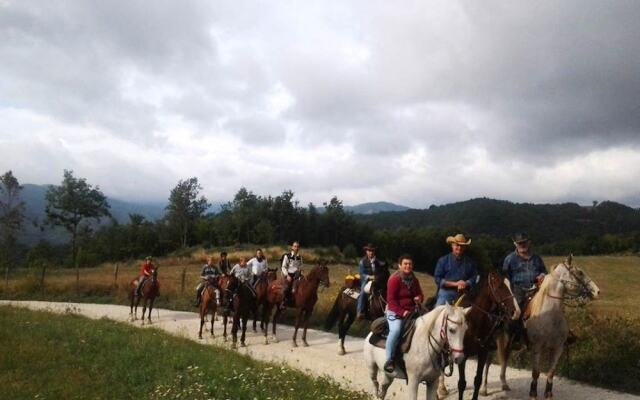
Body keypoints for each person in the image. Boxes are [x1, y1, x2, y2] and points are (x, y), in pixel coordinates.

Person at [384, 254, 424, 373]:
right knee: (396, 330)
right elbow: (391, 301)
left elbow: (420, 294)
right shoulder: (394, 280)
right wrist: (403, 312)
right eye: (405, 264)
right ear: (400, 265)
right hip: (395, 311)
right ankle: (389, 360)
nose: (408, 266)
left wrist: (419, 298)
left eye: (410, 264)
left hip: (412, 311)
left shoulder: (414, 279)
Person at [502, 233, 546, 309]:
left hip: (536, 289)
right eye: (520, 243)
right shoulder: (509, 259)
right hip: (518, 292)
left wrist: (542, 275)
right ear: (515, 244)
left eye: (524, 242)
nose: (522, 245)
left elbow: (544, 272)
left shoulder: (536, 258)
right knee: (516, 313)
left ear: (529, 243)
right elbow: (505, 277)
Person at [433, 234, 479, 306]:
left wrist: (466, 283)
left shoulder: (470, 262)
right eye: (457, 245)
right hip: (446, 292)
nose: (459, 247)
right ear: (452, 245)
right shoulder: (443, 260)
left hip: (464, 293)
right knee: (439, 309)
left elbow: (474, 276)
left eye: (462, 246)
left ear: (465, 247)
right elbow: (437, 279)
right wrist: (456, 284)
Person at [357, 243, 386, 320]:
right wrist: (369, 277)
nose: (371, 252)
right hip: (366, 280)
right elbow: (361, 273)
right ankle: (360, 311)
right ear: (366, 251)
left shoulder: (378, 261)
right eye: (369, 251)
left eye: (372, 251)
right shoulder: (362, 261)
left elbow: (383, 270)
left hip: (378, 279)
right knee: (363, 291)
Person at [281, 241, 303, 308]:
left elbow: (301, 265)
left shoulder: (300, 257)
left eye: (298, 247)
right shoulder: (287, 256)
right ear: (292, 247)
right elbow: (283, 267)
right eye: (295, 246)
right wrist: (287, 275)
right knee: (286, 288)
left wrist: (300, 270)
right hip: (289, 274)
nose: (296, 248)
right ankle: (283, 302)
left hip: (297, 275)